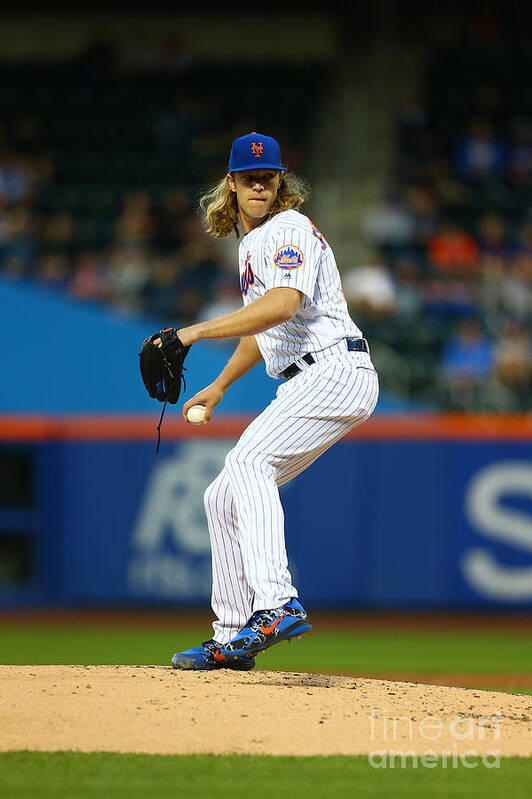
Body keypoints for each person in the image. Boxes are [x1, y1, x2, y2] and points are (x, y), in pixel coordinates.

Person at [170, 132, 379, 670]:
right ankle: (233, 636)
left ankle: (277, 603)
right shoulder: (253, 243)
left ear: (280, 182)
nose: (259, 185)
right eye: (249, 178)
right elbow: (262, 329)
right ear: (232, 184)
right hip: (313, 375)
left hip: (334, 368)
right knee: (223, 494)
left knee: (247, 461)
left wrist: (190, 334)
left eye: (268, 177)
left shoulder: (287, 230)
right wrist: (219, 386)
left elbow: (282, 306)